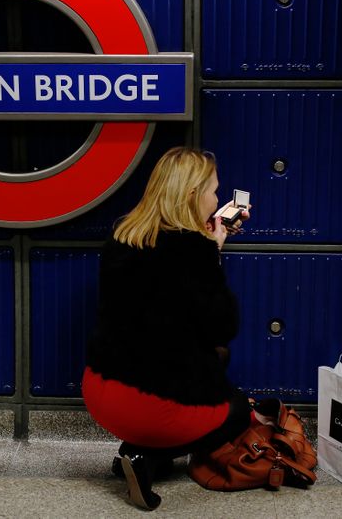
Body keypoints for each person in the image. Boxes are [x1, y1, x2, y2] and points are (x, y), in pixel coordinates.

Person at [82, 147, 252, 511]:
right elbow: (223, 326)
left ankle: (135, 452)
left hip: (100, 392)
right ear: (192, 195)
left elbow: (161, 303)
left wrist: (205, 244)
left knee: (213, 360)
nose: (217, 200)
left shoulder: (122, 237)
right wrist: (214, 252)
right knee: (238, 410)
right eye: (213, 191)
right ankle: (143, 456)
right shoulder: (195, 253)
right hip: (149, 405)